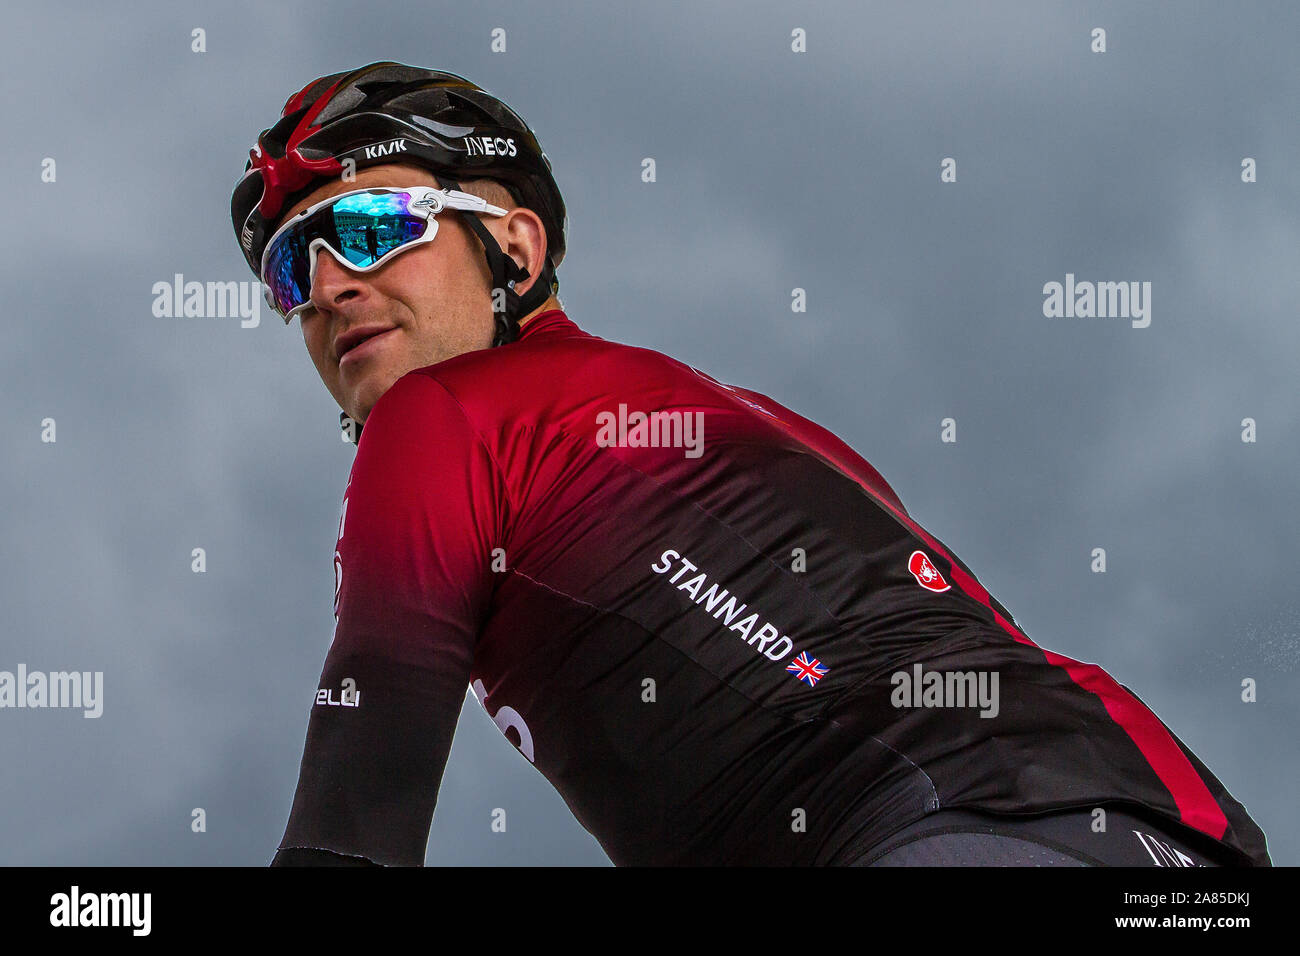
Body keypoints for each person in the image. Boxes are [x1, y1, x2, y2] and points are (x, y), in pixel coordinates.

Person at [231, 61, 1271, 867]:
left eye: (368, 228)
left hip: (949, 824)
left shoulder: (443, 416)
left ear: (515, 245)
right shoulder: (744, 417)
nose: (327, 287)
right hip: (1166, 823)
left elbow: (356, 818)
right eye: (292, 263)